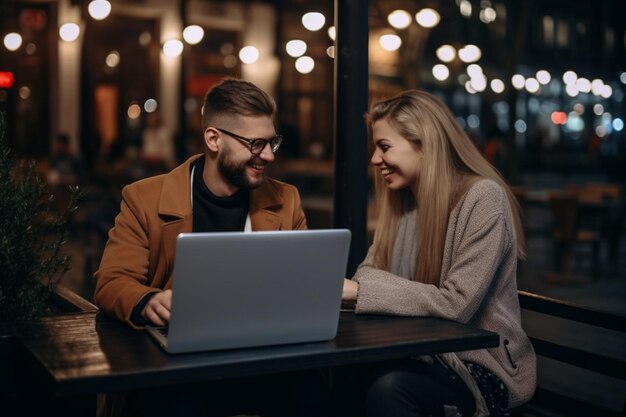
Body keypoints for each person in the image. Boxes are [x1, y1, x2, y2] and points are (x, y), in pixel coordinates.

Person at [94, 78, 325, 417]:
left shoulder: (286, 199)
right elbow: (111, 282)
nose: (269, 155)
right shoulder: (144, 198)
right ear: (213, 139)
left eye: (272, 141)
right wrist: (148, 301)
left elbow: (304, 285)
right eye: (256, 143)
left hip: (263, 359)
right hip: (177, 366)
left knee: (319, 399)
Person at [341, 90, 536, 417]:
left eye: (384, 147)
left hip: (480, 368)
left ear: (424, 144)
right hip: (416, 352)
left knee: (389, 390)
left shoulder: (482, 199)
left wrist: (364, 291)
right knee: (341, 379)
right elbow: (368, 273)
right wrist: (369, 288)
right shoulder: (403, 203)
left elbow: (457, 303)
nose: (375, 159)